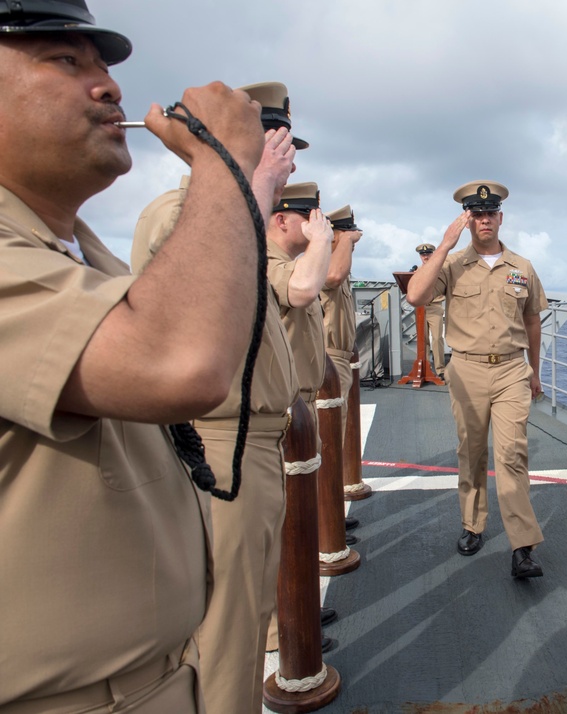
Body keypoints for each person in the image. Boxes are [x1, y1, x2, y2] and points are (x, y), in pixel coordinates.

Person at [0, 2, 276, 710]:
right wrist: (224, 162)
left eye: (104, 65)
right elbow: (179, 363)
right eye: (66, 60)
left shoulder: (74, 253)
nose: (109, 86)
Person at [130, 82, 307, 714]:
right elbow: (170, 326)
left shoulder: (233, 218)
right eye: (272, 148)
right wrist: (251, 188)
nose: (285, 168)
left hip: (255, 443)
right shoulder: (180, 218)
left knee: (249, 611)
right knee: (225, 628)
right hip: (218, 445)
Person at [406, 181, 547, 579]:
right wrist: (445, 244)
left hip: (510, 370)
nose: (485, 220)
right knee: (471, 452)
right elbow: (416, 295)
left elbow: (532, 320)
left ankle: (523, 545)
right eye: (477, 214)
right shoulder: (451, 265)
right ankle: (473, 524)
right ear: (468, 220)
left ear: (500, 218)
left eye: (491, 214)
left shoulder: (522, 267)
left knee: (512, 455)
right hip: (466, 369)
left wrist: (534, 370)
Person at [264, 181, 334, 651]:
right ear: (281, 219)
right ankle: (279, 631)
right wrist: (326, 241)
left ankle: (297, 607)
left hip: (300, 408)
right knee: (279, 524)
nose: (315, 224)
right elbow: (305, 291)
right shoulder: (268, 262)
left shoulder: (289, 262)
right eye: (307, 216)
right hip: (280, 414)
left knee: (295, 518)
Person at [320, 204, 363, 533]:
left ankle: (331, 512)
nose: (352, 239)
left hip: (342, 359)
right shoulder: (322, 261)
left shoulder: (338, 262)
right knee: (328, 444)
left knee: (336, 441)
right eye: (346, 233)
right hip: (328, 362)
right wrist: (344, 242)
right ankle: (325, 520)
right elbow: (332, 277)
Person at [416, 242, 447, 378]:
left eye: (428, 254)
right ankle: (424, 368)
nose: (425, 257)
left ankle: (440, 369)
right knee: (423, 341)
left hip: (434, 307)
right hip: (420, 308)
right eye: (423, 254)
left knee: (436, 339)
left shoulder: (439, 270)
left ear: (432, 254)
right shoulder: (417, 271)